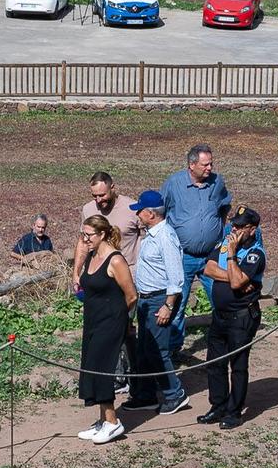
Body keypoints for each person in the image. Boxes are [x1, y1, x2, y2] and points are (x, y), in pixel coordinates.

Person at [125, 190, 190, 418]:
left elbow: (176, 277)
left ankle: (175, 393)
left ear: (151, 213)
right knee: (144, 349)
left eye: (140, 211)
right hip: (146, 300)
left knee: (158, 351)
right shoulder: (152, 235)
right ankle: (145, 395)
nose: (138, 215)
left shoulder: (165, 237)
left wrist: (168, 305)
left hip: (159, 300)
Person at [73, 171, 140, 389]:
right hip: (100, 280)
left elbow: (146, 241)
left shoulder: (132, 208)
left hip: (127, 274)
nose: (98, 200)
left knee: (125, 330)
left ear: (113, 187)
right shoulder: (88, 210)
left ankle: (136, 377)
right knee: (106, 331)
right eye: (95, 196)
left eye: (102, 195)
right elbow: (83, 242)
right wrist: (77, 272)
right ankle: (115, 377)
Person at [74, 214, 137, 445]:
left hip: (111, 323)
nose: (85, 239)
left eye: (89, 235)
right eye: (83, 234)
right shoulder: (92, 256)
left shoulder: (116, 260)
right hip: (93, 321)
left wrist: (122, 319)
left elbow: (131, 295)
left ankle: (113, 422)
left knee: (102, 369)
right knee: (91, 367)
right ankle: (102, 420)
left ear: (102, 235)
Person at [200, 208, 266, 429]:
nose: (234, 229)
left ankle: (234, 411)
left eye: (239, 226)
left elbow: (238, 284)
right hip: (220, 315)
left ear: (252, 229)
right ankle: (218, 405)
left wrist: (231, 255)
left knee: (238, 366)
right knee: (215, 363)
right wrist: (234, 276)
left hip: (242, 317)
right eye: (233, 225)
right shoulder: (224, 242)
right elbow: (208, 269)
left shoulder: (255, 253)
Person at [161, 144, 231, 335]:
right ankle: (174, 347)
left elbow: (225, 206)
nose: (210, 168)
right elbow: (161, 212)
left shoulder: (217, 182)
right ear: (191, 165)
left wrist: (218, 234)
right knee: (177, 303)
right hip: (183, 256)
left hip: (211, 255)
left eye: (211, 164)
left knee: (220, 298)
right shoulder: (174, 184)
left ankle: (224, 341)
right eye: (205, 165)